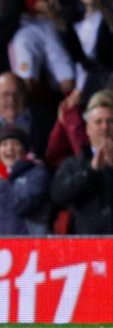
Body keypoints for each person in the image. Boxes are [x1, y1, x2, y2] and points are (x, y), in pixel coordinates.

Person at [51, 89, 113, 234]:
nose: (105, 127)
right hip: (88, 248)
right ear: (87, 129)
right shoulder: (74, 164)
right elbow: (58, 196)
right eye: (98, 122)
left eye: (110, 121)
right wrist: (90, 171)